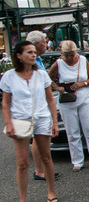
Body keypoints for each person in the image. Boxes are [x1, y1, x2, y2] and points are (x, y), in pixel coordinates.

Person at [1, 41, 59, 202]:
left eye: (35, 52)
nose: (34, 55)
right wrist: (8, 123)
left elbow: (50, 99)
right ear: (19, 55)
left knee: (46, 157)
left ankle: (51, 191)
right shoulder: (9, 76)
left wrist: (55, 122)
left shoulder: (41, 75)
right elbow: (6, 102)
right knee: (22, 163)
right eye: (29, 52)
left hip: (42, 118)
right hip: (20, 119)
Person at [48, 41, 89, 172]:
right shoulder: (58, 63)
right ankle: (77, 161)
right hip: (67, 100)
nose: (70, 58)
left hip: (84, 97)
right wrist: (57, 87)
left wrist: (81, 84)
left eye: (72, 55)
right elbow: (48, 78)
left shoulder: (83, 60)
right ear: (62, 54)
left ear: (75, 52)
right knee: (72, 133)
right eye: (67, 55)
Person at [25, 30, 52, 181]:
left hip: (41, 104)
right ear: (36, 44)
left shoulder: (38, 60)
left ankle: (43, 169)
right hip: (35, 106)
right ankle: (39, 171)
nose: (46, 44)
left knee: (42, 138)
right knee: (37, 138)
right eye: (43, 42)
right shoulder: (31, 62)